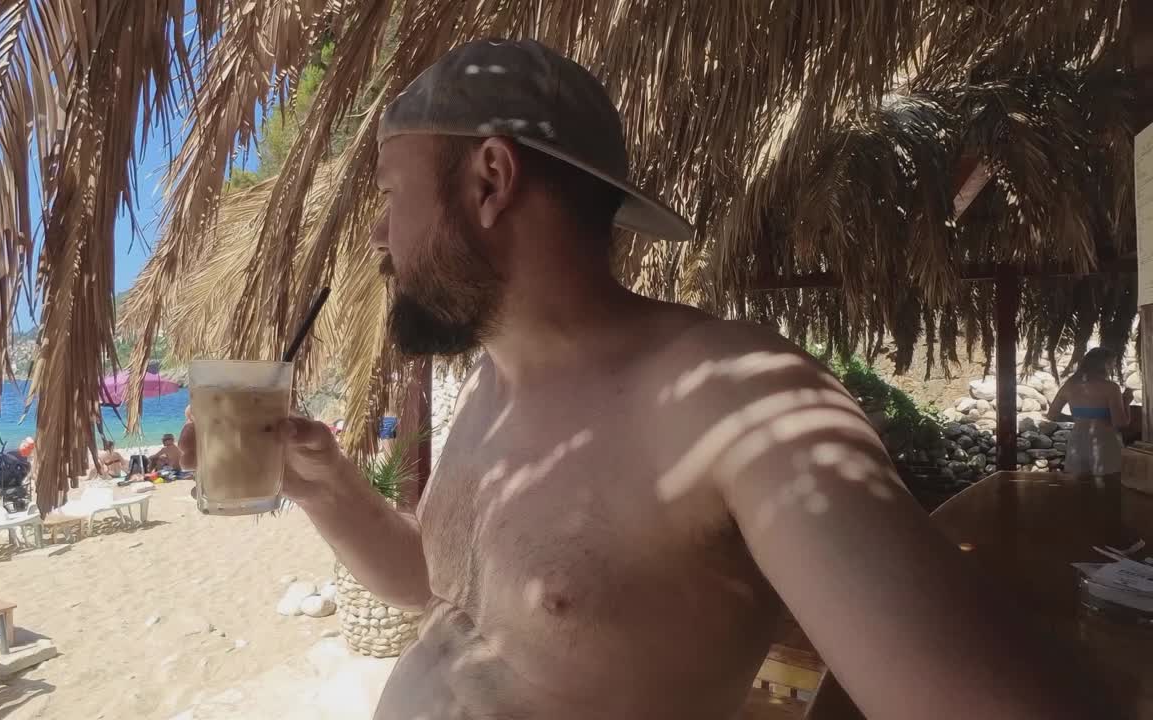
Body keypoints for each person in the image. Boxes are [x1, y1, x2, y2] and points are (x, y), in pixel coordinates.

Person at [183, 39, 1097, 720]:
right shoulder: (491, 393)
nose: (378, 236)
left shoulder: (738, 400)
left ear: (489, 180)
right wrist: (326, 487)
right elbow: (439, 589)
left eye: (389, 194)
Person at [1047, 347, 1132, 477]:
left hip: (1077, 442)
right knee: (1108, 487)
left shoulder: (1069, 385)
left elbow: (1052, 415)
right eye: (1112, 364)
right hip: (1105, 442)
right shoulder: (1111, 388)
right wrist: (1126, 401)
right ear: (1105, 364)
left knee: (1079, 488)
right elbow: (1120, 422)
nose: (1113, 369)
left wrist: (1079, 418)